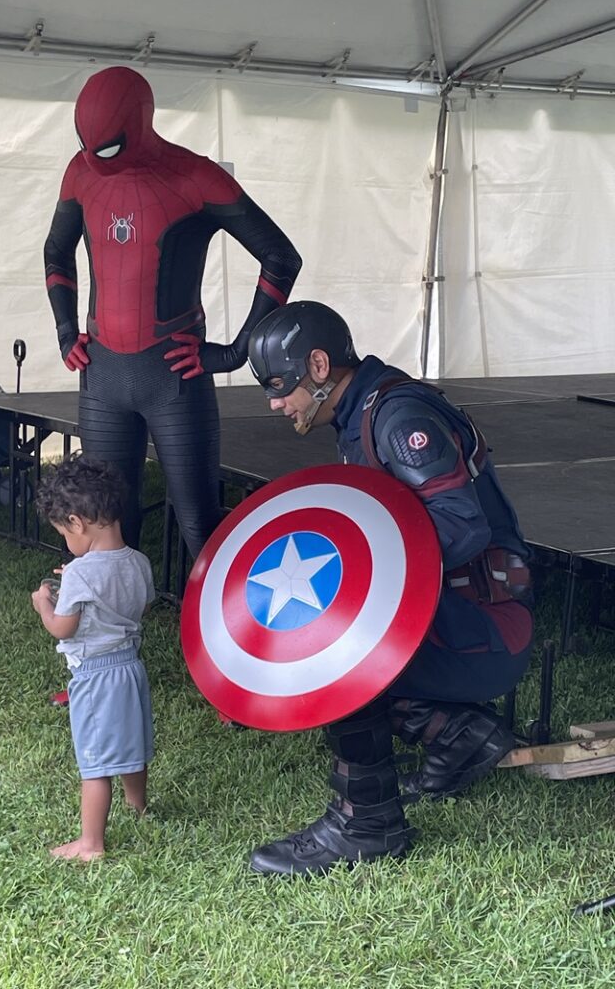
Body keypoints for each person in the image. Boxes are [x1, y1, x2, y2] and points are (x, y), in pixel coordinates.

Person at [244, 300, 534, 876]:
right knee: (335, 632)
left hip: (488, 624)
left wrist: (358, 607)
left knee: (335, 655)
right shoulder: (360, 414)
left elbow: (461, 525)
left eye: (279, 386)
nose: (276, 403)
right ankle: (459, 737)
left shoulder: (396, 417)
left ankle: (367, 824)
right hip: (464, 614)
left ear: (319, 365)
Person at [44, 65, 301, 559]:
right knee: (104, 527)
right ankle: (111, 632)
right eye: (88, 149)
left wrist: (234, 352)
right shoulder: (80, 171)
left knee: (201, 525)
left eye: (109, 150)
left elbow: (281, 257)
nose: (98, 162)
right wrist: (65, 331)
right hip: (103, 376)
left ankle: (229, 630)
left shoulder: (195, 175)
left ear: (140, 124)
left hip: (173, 377)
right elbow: (56, 252)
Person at [31, 455, 155, 861]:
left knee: (96, 761)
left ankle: (91, 843)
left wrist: (45, 606)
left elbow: (63, 628)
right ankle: (139, 807)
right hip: (130, 668)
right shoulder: (139, 562)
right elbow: (138, 603)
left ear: (76, 522)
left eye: (62, 531)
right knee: (131, 744)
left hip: (96, 676)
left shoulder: (81, 573)